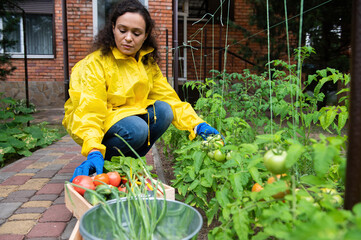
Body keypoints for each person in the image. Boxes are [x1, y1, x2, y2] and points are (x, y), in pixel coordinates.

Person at [63, 0, 220, 182]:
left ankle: (126, 164)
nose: (129, 38)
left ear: (145, 36)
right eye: (123, 30)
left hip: (126, 122)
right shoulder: (94, 64)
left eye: (136, 33)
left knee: (164, 111)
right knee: (137, 130)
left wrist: (197, 124)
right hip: (103, 123)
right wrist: (93, 149)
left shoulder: (147, 64)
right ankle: (102, 161)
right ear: (113, 28)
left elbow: (169, 99)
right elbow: (89, 111)